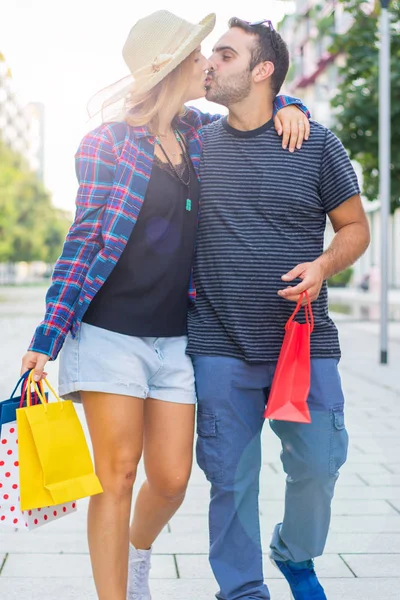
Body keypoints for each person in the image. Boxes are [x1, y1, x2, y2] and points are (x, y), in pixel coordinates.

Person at [20, 10, 310, 600]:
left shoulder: (202, 133)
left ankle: (135, 551)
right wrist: (45, 338)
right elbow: (84, 240)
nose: (208, 61)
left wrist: (293, 107)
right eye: (200, 54)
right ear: (173, 67)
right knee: (116, 475)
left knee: (173, 478)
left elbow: (259, 112)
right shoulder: (107, 144)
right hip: (109, 333)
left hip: (180, 336)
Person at [187, 18, 371, 600]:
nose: (210, 63)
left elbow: (355, 228)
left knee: (319, 465)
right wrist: (287, 99)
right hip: (220, 343)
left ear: (263, 69)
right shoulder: (195, 141)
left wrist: (321, 267)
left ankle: (293, 552)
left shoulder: (317, 142)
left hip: (303, 342)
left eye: (225, 54)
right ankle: (242, 590)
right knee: (230, 480)